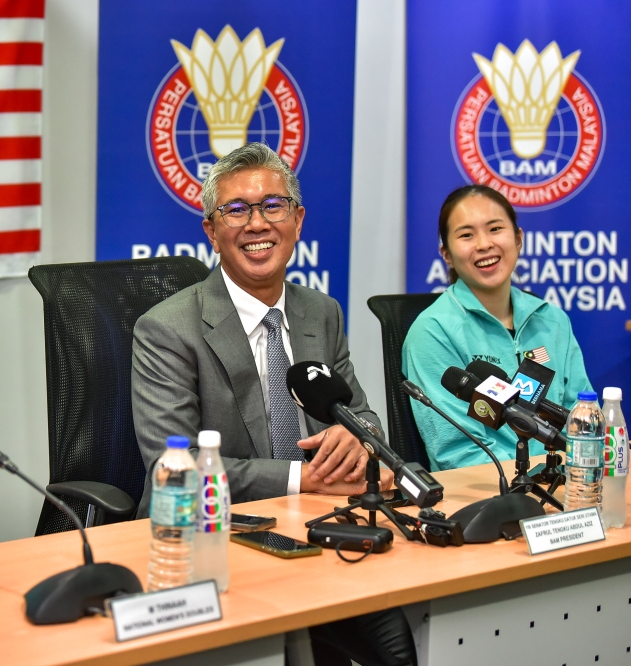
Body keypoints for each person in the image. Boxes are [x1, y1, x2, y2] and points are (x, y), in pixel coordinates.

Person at [132, 143, 413, 666]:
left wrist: (357, 437)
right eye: (236, 210)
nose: (257, 223)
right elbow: (178, 469)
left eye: (272, 206)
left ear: (297, 220)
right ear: (211, 231)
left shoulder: (321, 312)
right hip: (208, 542)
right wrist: (306, 478)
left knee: (404, 631)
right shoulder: (166, 329)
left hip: (315, 528)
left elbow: (363, 415)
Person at [403, 184, 593, 471]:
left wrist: (578, 474)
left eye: (495, 229)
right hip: (488, 490)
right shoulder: (433, 332)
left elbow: (584, 419)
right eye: (466, 235)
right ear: (447, 254)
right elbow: (458, 452)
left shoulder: (553, 320)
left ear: (518, 239)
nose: (483, 244)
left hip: (566, 483)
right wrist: (535, 480)